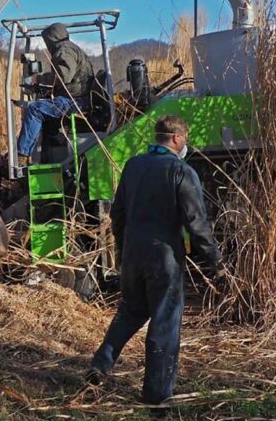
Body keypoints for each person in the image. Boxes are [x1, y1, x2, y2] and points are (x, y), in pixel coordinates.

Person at [87, 115, 225, 405]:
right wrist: (215, 261)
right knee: (164, 321)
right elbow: (196, 223)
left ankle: (100, 364)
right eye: (185, 140)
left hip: (133, 254)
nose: (185, 145)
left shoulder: (133, 166)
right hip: (164, 257)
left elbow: (117, 214)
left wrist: (125, 250)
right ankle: (157, 394)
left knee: (131, 311)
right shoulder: (181, 171)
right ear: (176, 139)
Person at [16, 22, 94, 160]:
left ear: (51, 39)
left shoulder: (64, 50)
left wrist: (39, 79)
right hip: (77, 98)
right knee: (43, 108)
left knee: (35, 109)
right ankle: (46, 152)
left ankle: (22, 154)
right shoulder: (71, 48)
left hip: (74, 101)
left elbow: (64, 76)